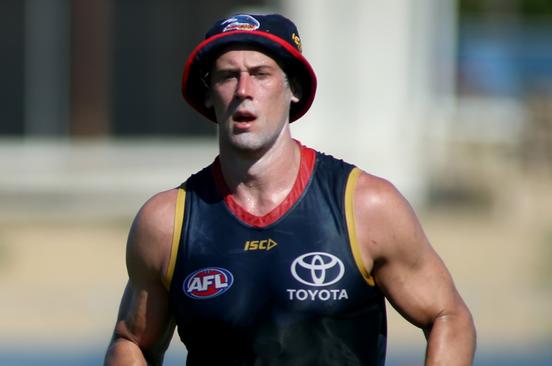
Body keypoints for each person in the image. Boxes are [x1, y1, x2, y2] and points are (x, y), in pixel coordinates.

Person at [104, 13, 476, 366]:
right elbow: (133, 340)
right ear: (207, 95)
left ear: (294, 89)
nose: (243, 91)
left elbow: (448, 316)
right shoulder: (166, 222)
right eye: (228, 76)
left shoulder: (366, 206)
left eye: (261, 74)